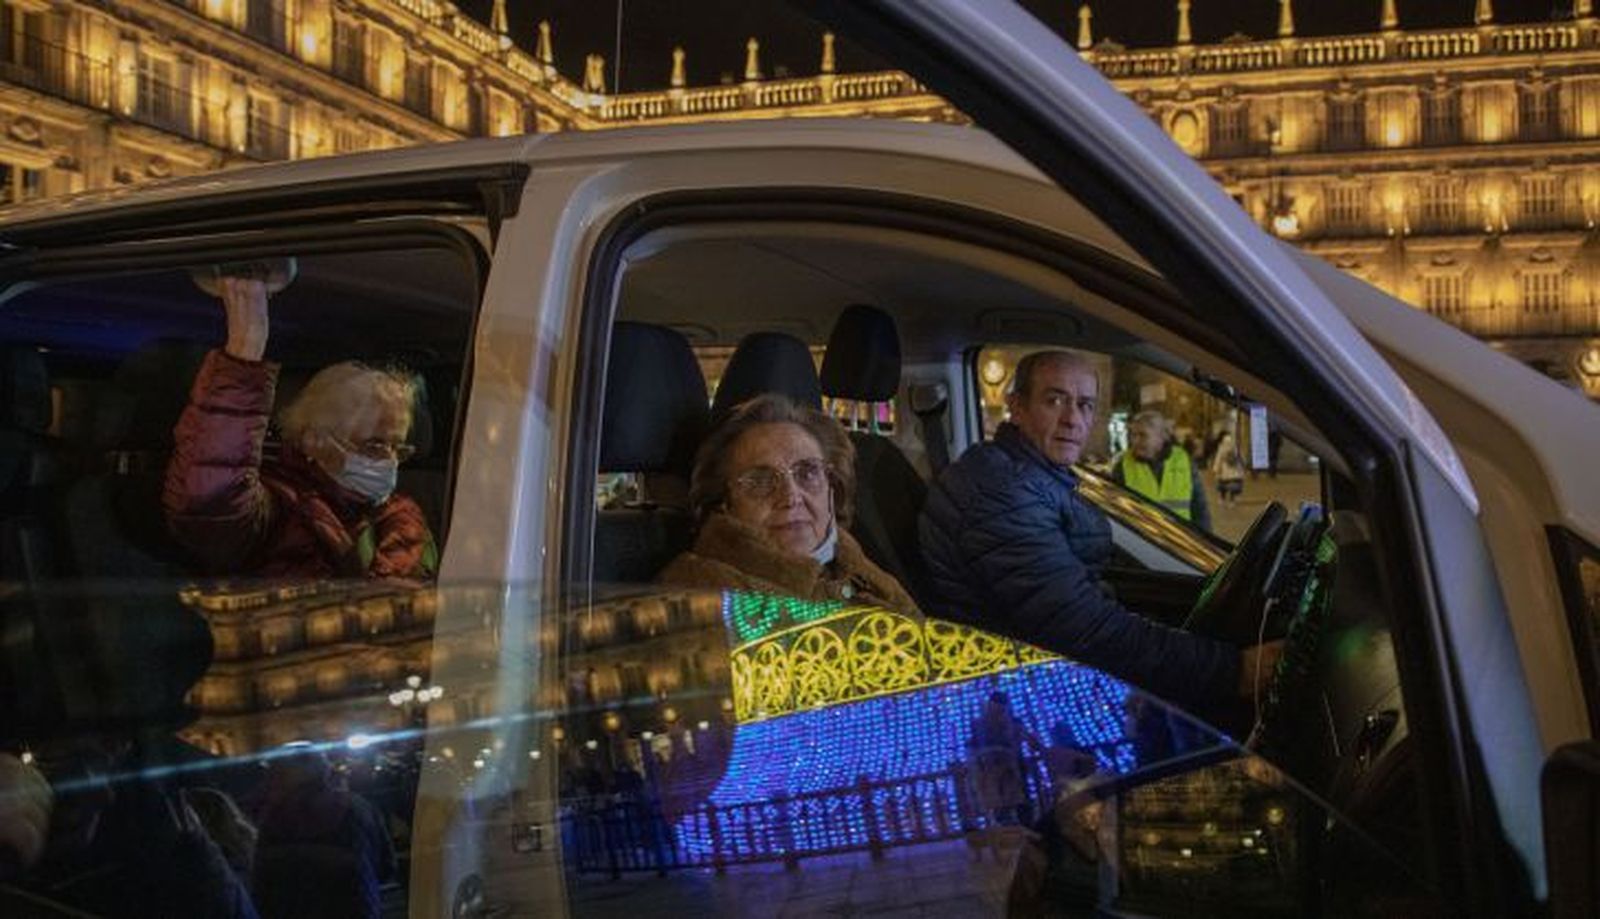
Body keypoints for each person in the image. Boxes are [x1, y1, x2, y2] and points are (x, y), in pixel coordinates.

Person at [919, 350, 1277, 710]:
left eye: (1085, 404)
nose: (1072, 419)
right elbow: (1085, 632)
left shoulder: (1033, 475)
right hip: (1022, 700)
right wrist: (1236, 671)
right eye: (1054, 399)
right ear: (1017, 407)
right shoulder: (1003, 493)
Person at [163, 270, 437, 580]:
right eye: (374, 444)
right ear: (314, 440)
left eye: (398, 448)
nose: (389, 461)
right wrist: (243, 355)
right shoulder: (280, 508)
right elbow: (210, 499)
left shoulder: (401, 516)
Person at [658, 394, 918, 616]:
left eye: (808, 472)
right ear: (723, 503)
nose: (791, 496)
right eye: (760, 481)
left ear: (831, 488)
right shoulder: (700, 596)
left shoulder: (868, 576)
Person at [1110, 410, 1211, 530]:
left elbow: (1199, 508)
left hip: (1181, 539)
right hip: (1141, 541)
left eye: (1142, 435)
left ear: (1160, 437)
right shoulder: (1122, 465)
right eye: (1133, 435)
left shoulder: (1183, 461)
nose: (1134, 441)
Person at [1211, 424, 1246, 506]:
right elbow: (1241, 457)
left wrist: (1215, 469)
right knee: (1233, 487)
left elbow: (1218, 458)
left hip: (1224, 471)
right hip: (1234, 471)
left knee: (1222, 486)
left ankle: (1222, 499)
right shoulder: (1235, 447)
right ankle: (1232, 501)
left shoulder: (1222, 446)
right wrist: (1243, 466)